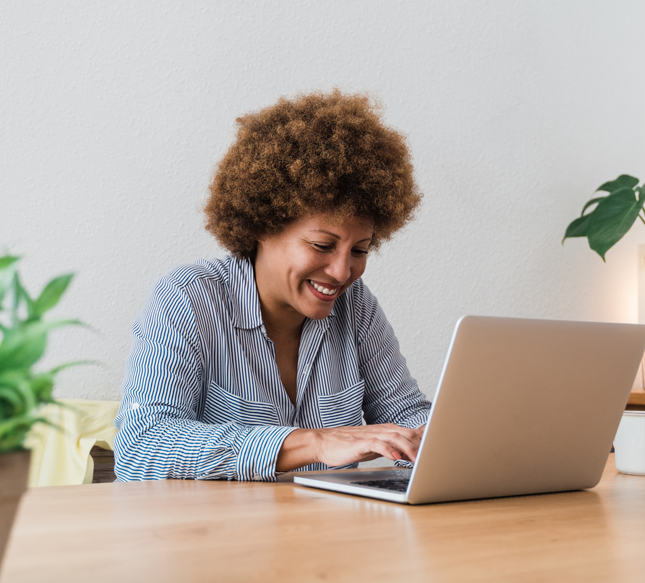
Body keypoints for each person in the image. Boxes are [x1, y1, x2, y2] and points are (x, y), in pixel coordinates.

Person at [113, 90, 431, 481]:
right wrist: (313, 443)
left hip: (328, 535)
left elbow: (405, 416)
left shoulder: (355, 307)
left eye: (360, 250)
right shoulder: (189, 298)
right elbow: (142, 447)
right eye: (322, 246)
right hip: (219, 536)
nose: (341, 271)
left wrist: (440, 437)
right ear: (263, 224)